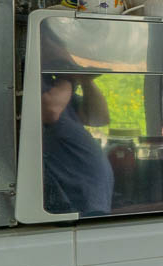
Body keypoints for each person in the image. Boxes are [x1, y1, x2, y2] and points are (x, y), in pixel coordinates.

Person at [39, 74, 114, 216]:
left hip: (90, 199)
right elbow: (49, 111)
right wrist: (68, 76)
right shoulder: (40, 82)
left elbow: (99, 118)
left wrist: (86, 80)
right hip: (67, 201)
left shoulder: (57, 85)